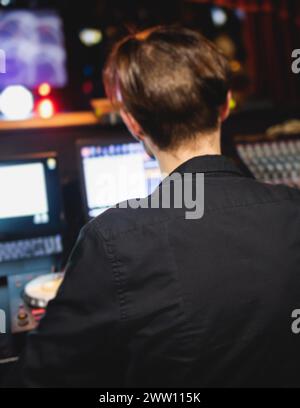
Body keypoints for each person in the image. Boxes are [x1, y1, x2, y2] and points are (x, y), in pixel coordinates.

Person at [5, 26, 300, 388]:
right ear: (225, 106)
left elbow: (37, 379)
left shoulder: (113, 242)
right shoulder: (292, 210)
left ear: (132, 123)